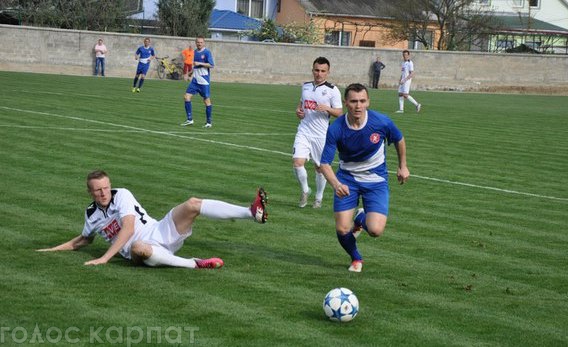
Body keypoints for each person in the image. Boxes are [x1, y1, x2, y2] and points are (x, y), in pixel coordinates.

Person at [37, 170, 268, 269]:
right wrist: (51, 249)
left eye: (106, 187)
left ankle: (251, 213)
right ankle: (194, 263)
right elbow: (82, 241)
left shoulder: (122, 195)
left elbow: (127, 228)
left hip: (159, 231)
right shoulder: (91, 215)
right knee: (138, 246)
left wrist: (104, 258)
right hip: (140, 253)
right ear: (90, 193)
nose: (104, 193)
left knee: (192, 204)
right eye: (98, 190)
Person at [320, 83, 409, 273]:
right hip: (347, 179)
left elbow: (399, 139)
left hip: (376, 181)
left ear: (368, 101)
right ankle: (356, 258)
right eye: (353, 101)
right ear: (345, 103)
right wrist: (336, 184)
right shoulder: (336, 128)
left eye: (362, 101)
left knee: (375, 230)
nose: (358, 106)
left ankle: (361, 218)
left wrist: (403, 166)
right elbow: (324, 164)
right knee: (343, 229)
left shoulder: (381, 122)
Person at [293, 57, 343, 209]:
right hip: (304, 131)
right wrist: (299, 111)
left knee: (320, 168)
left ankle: (319, 197)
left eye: (322, 71)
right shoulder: (306, 86)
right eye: (316, 70)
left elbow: (340, 113)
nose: (319, 74)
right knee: (297, 163)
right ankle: (305, 190)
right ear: (312, 70)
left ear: (328, 72)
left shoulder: (332, 90)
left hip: (322, 135)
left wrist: (327, 109)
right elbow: (301, 105)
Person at [180, 36, 215, 128]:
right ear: (196, 43)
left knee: (206, 101)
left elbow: (211, 65)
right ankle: (189, 119)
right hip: (195, 80)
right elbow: (195, 67)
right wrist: (188, 73)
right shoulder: (195, 52)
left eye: (201, 42)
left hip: (203, 81)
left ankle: (208, 122)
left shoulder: (207, 52)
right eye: (198, 42)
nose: (199, 43)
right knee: (186, 97)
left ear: (204, 43)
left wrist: (200, 63)